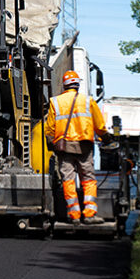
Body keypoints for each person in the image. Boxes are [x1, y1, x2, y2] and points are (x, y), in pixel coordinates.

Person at [46, 70, 108, 225]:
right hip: (84, 147)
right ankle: (89, 215)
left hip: (64, 147)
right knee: (88, 179)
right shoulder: (88, 101)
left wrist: (51, 144)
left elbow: (49, 128)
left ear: (64, 85)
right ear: (77, 85)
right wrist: (107, 138)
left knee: (68, 180)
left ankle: (74, 215)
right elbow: (99, 125)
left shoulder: (55, 102)